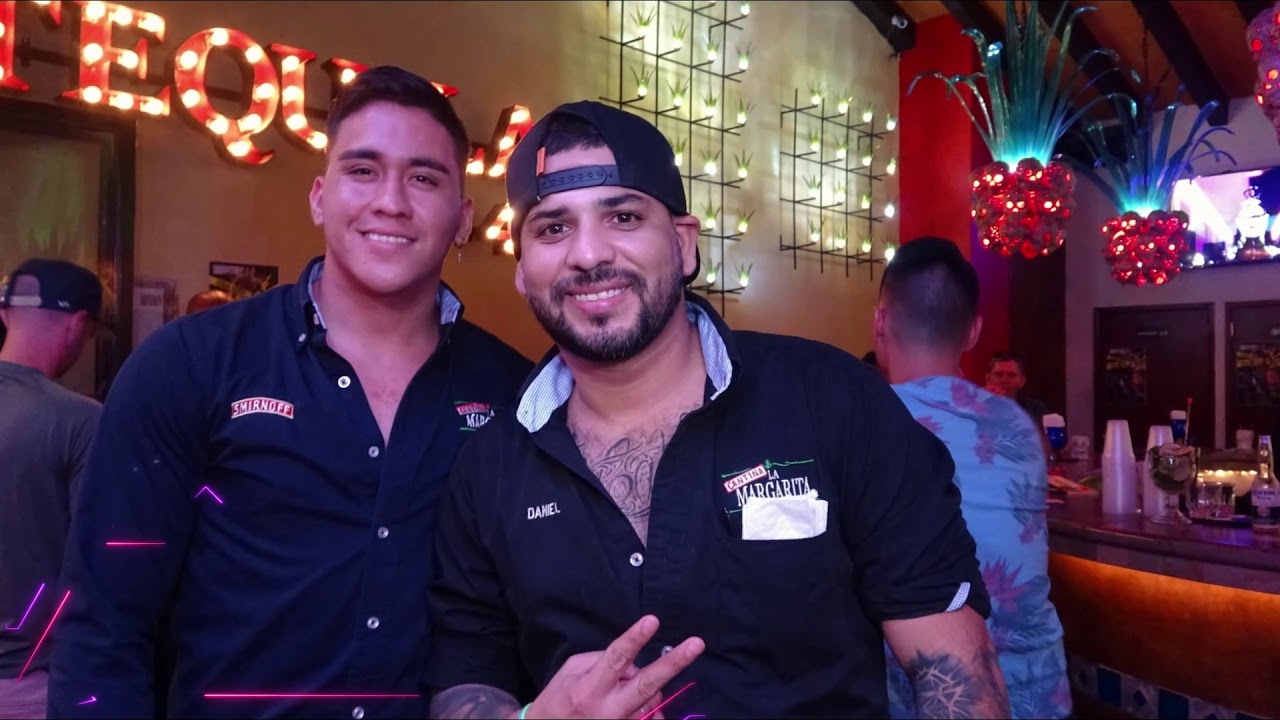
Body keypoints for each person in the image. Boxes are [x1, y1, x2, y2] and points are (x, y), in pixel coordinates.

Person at [424, 101, 1008, 719]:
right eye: (552, 228)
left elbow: (957, 675)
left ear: (684, 245)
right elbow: (466, 678)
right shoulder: (488, 468)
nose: (589, 254)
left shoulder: (834, 400)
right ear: (522, 270)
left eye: (623, 216)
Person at [47, 66, 534, 719]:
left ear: (464, 218)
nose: (391, 201)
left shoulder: (511, 393)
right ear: (319, 198)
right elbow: (104, 623)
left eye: (424, 178)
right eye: (363, 170)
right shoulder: (191, 364)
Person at [873, 237, 1071, 719]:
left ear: (880, 320)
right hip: (1039, 691)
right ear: (974, 331)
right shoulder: (1017, 424)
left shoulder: (868, 420)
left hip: (932, 698)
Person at [0, 259, 104, 720]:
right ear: (79, 326)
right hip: (26, 684)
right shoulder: (80, 421)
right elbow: (100, 561)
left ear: (5, 314)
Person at [986, 352, 1051, 423]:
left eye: (1011, 375)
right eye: (998, 374)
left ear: (1022, 381)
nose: (1004, 380)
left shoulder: (1036, 409)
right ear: (988, 379)